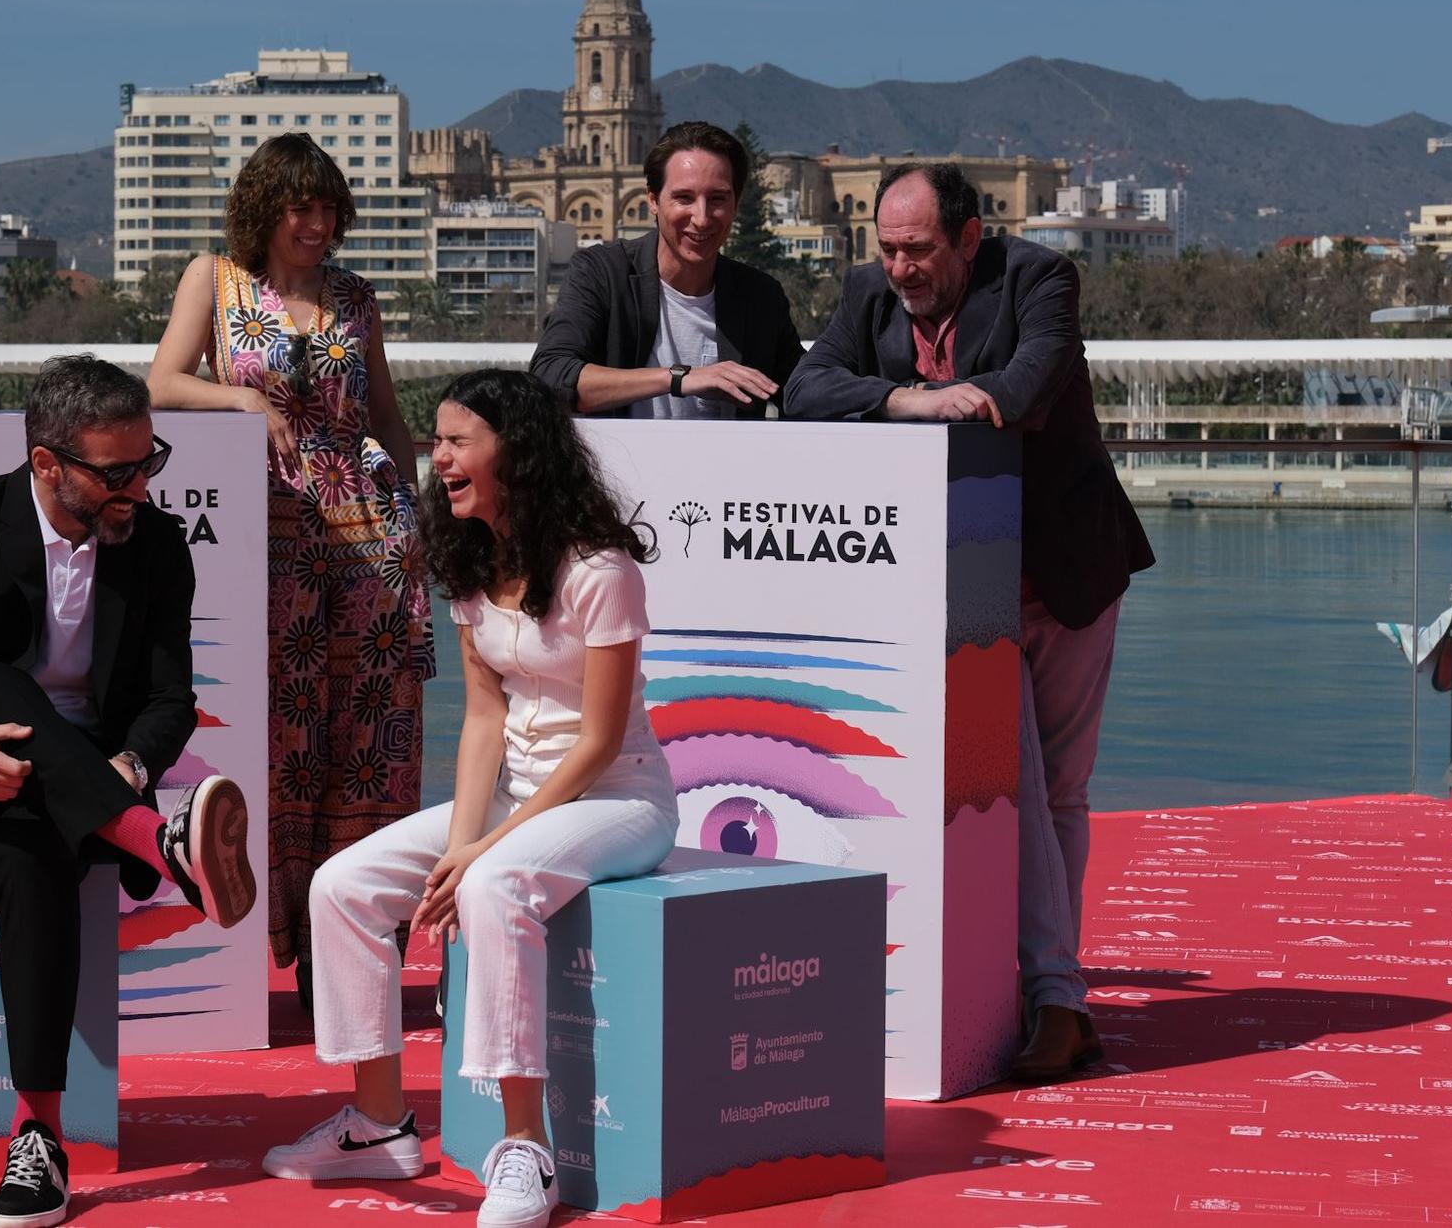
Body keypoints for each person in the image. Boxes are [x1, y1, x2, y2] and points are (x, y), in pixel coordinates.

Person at [262, 369, 678, 1228]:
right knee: (340, 885)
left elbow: (598, 741)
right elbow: (484, 717)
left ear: (515, 453)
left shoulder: (601, 569)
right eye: (438, 440)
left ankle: (525, 1147)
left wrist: (485, 854)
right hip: (519, 798)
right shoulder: (467, 557)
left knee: (494, 885)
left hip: (619, 799)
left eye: (458, 441)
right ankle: (378, 1122)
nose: (438, 457)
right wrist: (460, 839)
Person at [0, 355, 256, 1228]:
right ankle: (158, 842)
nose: (138, 489)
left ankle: (38, 1136)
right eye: (116, 473)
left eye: (150, 463)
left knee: (31, 840)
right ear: (46, 463)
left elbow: (168, 700)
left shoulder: (154, 546)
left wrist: (126, 770)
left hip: (73, 795)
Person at [781, 162, 1154, 1084]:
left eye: (921, 250)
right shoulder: (866, 293)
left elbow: (1018, 390)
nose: (902, 268)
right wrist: (907, 399)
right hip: (957, 593)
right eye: (890, 248)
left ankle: (1052, 995)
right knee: (1010, 784)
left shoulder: (1040, 280)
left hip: (1065, 573)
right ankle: (1057, 998)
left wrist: (958, 396)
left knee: (1060, 791)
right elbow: (807, 389)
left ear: (970, 238)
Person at [149, 132, 433, 1007]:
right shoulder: (216, 280)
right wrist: (240, 397)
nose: (316, 224)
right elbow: (160, 382)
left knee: (368, 753)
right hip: (267, 544)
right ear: (265, 207)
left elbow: (385, 412)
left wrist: (424, 518)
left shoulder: (357, 297)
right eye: (300, 206)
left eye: (328, 209)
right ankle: (263, 939)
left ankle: (342, 952)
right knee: (280, 746)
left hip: (370, 544)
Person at [530, 120, 799, 420]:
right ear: (653, 200)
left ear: (736, 204)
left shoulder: (760, 296)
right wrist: (679, 378)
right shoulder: (602, 274)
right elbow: (550, 376)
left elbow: (803, 389)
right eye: (684, 198)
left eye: (717, 199)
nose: (701, 217)